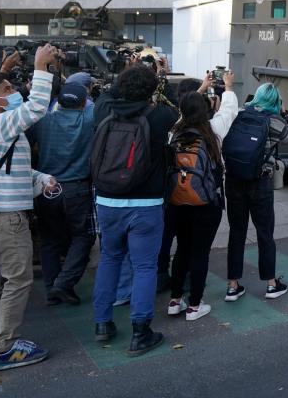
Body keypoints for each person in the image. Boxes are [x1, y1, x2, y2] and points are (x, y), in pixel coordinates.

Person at [0, 44, 60, 371]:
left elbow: (10, 171)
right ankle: (5, 347)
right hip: (7, 221)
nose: (14, 92)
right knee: (19, 280)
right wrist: (40, 66)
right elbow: (37, 106)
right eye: (7, 89)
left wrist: (41, 180)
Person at [90, 65, 176, 356]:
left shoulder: (103, 111)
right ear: (152, 89)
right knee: (144, 266)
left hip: (107, 201)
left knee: (109, 260)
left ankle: (103, 324)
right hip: (146, 205)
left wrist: (123, 81)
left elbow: (108, 94)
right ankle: (140, 332)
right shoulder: (161, 116)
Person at [167, 72, 238, 321]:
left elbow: (183, 111)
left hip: (177, 201)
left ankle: (175, 300)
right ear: (207, 108)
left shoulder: (175, 132)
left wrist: (201, 88)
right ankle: (195, 306)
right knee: (200, 253)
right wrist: (227, 86)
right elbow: (229, 110)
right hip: (206, 203)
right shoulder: (213, 132)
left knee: (182, 250)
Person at [32, 82, 97, 306]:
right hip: (77, 188)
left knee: (49, 240)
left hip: (45, 187)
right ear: (83, 102)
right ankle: (64, 283)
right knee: (83, 236)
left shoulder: (42, 121)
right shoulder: (89, 120)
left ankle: (52, 287)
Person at [225, 83, 288, 302]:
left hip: (234, 180)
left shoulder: (239, 114)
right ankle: (271, 285)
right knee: (264, 233)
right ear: (276, 101)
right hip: (259, 183)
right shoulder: (276, 122)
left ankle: (233, 286)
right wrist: (285, 115)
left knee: (236, 233)